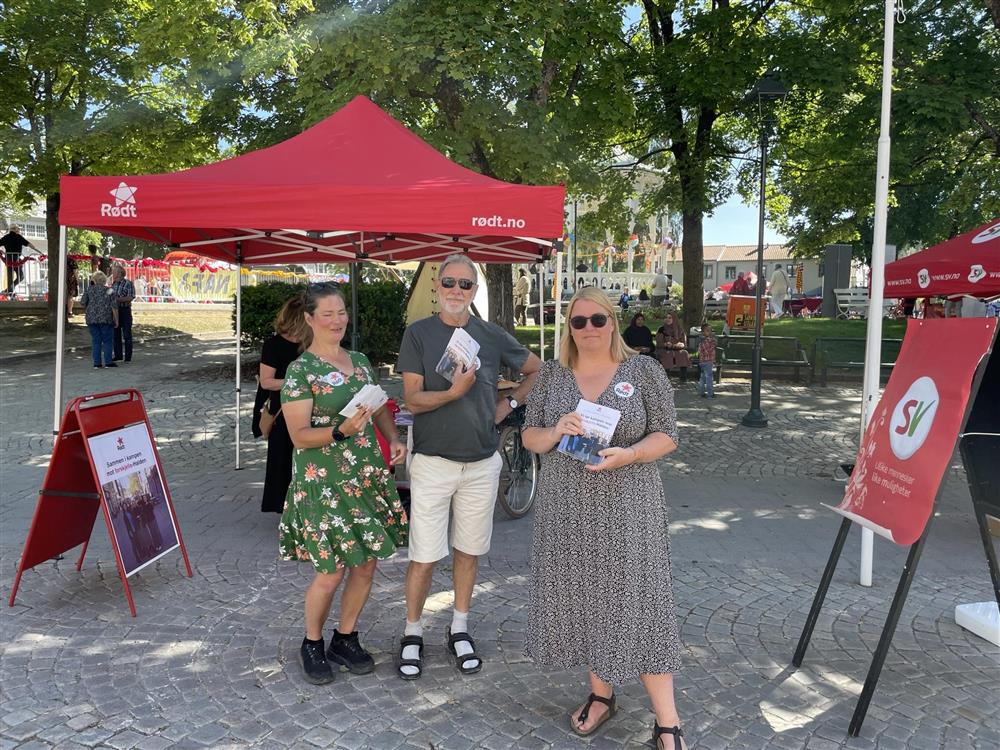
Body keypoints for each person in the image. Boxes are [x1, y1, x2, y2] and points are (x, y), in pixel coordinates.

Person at [520, 286, 688, 749]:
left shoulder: (643, 369)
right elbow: (530, 438)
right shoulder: (554, 375)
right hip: (567, 513)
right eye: (578, 321)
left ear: (613, 322)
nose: (589, 328)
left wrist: (630, 453)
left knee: (642, 603)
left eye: (598, 319)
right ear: (568, 328)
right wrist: (555, 429)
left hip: (629, 508)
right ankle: (601, 694)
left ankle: (667, 720)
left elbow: (668, 436)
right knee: (585, 599)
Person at [394, 254, 541, 679]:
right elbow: (413, 400)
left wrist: (507, 404)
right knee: (423, 555)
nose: (457, 291)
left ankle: (459, 626)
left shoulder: (491, 335)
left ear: (475, 291)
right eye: (450, 283)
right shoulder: (418, 334)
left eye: (466, 284)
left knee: (469, 551)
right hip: (433, 462)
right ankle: (413, 631)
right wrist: (455, 391)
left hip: (481, 462)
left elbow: (537, 369)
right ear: (437, 288)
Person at [278, 282, 408, 685]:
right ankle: (312, 643)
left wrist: (394, 437)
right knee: (331, 571)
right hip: (325, 482)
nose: (337, 320)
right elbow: (299, 435)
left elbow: (379, 405)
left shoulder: (360, 360)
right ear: (310, 318)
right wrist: (340, 430)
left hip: (365, 477)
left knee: (366, 565)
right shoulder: (301, 372)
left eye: (341, 313)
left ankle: (345, 637)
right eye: (328, 314)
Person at [255, 294, 308, 513]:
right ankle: (284, 508)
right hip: (282, 411)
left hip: (309, 408)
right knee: (282, 461)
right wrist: (296, 382)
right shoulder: (273, 345)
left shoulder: (311, 343)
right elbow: (266, 382)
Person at [81, 271, 118, 368]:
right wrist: (116, 319)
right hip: (106, 318)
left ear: (94, 280)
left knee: (96, 341)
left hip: (91, 318)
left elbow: (83, 302)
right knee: (107, 340)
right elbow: (114, 306)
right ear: (104, 280)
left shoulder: (89, 289)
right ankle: (108, 362)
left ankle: (97, 363)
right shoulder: (110, 290)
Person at [111, 264, 135, 362]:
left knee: (127, 334)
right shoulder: (113, 284)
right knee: (116, 334)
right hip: (115, 310)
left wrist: (117, 299)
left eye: (114, 272)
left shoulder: (128, 283)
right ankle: (118, 355)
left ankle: (128, 357)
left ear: (120, 273)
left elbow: (130, 297)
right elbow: (108, 294)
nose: (113, 273)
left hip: (125, 310)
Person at [656, 312, 690, 382]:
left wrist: (676, 345)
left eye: (670, 318)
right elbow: (659, 343)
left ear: (674, 319)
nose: (667, 319)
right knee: (667, 354)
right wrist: (665, 344)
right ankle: (666, 377)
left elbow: (684, 344)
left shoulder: (680, 330)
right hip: (664, 349)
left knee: (684, 353)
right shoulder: (661, 329)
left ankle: (683, 378)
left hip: (677, 349)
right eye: (666, 318)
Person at [1, 225, 36, 294]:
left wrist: (1, 251)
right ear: (14, 229)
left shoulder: (5, 237)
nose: (19, 230)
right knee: (21, 276)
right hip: (16, 259)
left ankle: (9, 291)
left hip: (9, 258)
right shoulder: (19, 237)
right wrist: (34, 248)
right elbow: (30, 245)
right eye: (18, 229)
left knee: (10, 277)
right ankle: (9, 290)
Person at [697, 323, 717, 399]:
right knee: (709, 377)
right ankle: (710, 394)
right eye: (708, 331)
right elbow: (706, 351)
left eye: (710, 330)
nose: (710, 332)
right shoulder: (705, 341)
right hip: (707, 361)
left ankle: (701, 392)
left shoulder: (703, 340)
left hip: (703, 361)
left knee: (703, 377)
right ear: (703, 332)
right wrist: (713, 344)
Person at [66, 254, 79, 319]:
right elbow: (75, 271)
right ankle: (69, 312)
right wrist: (77, 280)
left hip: (61, 279)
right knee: (70, 296)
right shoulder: (71, 260)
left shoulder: (58, 259)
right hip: (70, 280)